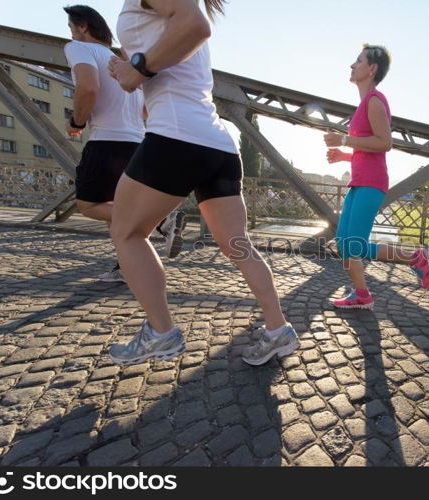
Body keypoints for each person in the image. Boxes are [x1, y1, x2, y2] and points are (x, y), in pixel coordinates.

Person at [107, 0, 298, 366]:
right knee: (238, 245)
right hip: (217, 143)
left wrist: (138, 68)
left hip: (176, 136)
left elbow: (196, 25)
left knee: (127, 232)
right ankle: (278, 329)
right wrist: (134, 70)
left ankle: (161, 333)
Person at [63, 5, 186, 284]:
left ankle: (163, 221)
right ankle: (126, 267)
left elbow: (88, 88)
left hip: (106, 141)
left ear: (82, 26)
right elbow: (146, 110)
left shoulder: (79, 48)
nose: (71, 34)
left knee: (89, 205)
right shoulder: (121, 61)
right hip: (136, 144)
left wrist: (78, 123)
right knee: (116, 209)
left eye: (71, 28)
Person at [323, 44, 429, 310]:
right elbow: (367, 151)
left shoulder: (374, 100)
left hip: (372, 184)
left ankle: (413, 257)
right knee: (344, 242)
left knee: (355, 246)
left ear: (372, 68)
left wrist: (345, 139)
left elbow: (385, 143)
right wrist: (345, 156)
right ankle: (362, 294)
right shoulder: (364, 104)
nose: (352, 65)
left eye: (358, 61)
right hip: (359, 181)